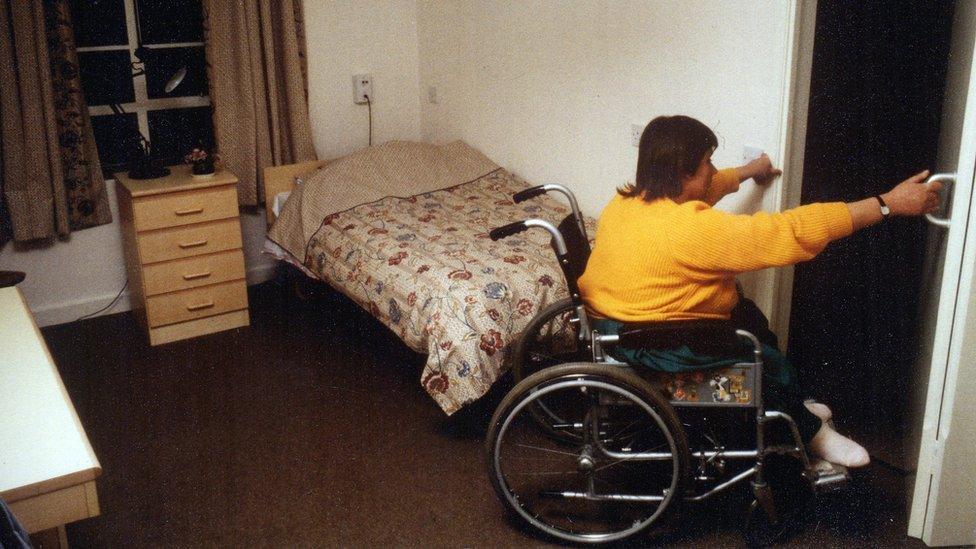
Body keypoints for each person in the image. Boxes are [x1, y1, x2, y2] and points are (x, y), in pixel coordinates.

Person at [577, 115, 942, 468]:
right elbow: (791, 230)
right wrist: (886, 204)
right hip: (654, 348)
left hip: (616, 329)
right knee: (753, 352)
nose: (712, 170)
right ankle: (808, 430)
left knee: (747, 312)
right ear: (682, 172)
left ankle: (792, 405)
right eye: (707, 162)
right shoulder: (690, 229)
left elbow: (710, 186)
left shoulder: (627, 204)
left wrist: (751, 170)